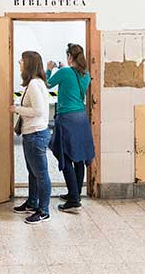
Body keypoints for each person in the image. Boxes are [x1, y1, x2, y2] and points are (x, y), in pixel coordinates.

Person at [46, 43, 94, 214]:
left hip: (67, 118)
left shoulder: (65, 72)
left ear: (70, 57)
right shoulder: (85, 74)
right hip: (81, 118)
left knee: (65, 157)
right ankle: (75, 194)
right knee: (79, 157)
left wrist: (49, 69)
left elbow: (47, 84)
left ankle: (73, 201)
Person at [10, 51, 52, 224]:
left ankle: (44, 211)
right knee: (33, 173)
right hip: (32, 133)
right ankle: (32, 202)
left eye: (22, 60)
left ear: (29, 64)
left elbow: (40, 110)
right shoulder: (35, 83)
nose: (19, 62)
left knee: (40, 174)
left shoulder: (35, 84)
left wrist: (17, 109)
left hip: (36, 134)